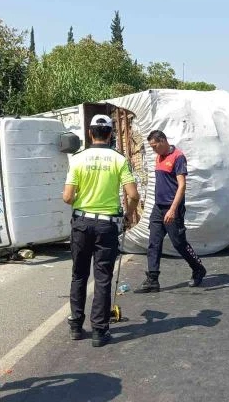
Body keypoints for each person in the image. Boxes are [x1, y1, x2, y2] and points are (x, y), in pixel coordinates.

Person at [63, 114, 140, 347]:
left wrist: (81, 198)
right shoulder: (118, 159)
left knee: (79, 274)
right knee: (103, 277)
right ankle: (99, 331)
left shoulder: (77, 159)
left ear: (90, 133)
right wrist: (128, 216)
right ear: (110, 134)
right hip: (107, 225)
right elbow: (133, 195)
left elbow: (67, 197)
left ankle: (76, 325)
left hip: (81, 223)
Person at [136, 130, 206, 293]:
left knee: (178, 243)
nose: (153, 149)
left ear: (162, 141)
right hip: (158, 207)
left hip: (172, 208)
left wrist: (173, 210)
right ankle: (153, 279)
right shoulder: (158, 157)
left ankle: (198, 268)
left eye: (154, 146)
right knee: (154, 242)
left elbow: (181, 186)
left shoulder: (178, 157)